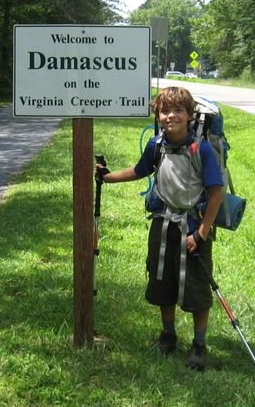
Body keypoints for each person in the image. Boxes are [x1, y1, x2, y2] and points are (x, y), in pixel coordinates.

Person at [96, 86, 223, 371]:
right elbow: (140, 170)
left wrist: (201, 233)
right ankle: (168, 335)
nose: (171, 116)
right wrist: (108, 177)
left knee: (197, 286)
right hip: (162, 224)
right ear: (158, 114)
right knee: (161, 278)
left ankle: (199, 344)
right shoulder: (156, 144)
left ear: (189, 115)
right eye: (165, 110)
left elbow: (216, 194)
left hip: (193, 226)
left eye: (178, 110)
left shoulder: (200, 148)